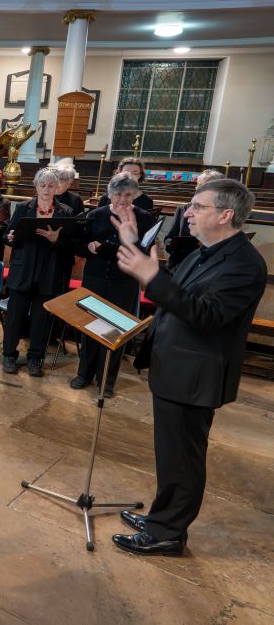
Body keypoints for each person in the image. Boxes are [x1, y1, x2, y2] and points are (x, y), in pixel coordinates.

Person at [111, 178, 266, 557]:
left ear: (226, 215)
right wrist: (133, 241)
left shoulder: (245, 265)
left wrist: (150, 279)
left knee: (183, 458)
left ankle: (167, 533)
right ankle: (163, 517)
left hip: (195, 376)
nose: (189, 212)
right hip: (176, 367)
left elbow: (206, 315)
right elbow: (173, 287)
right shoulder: (205, 251)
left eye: (199, 206)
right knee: (170, 453)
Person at [70, 174, 156, 397]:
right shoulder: (96, 215)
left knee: (116, 330)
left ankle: (106, 380)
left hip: (124, 281)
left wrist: (131, 246)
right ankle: (84, 374)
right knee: (91, 326)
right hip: (95, 278)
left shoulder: (144, 218)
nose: (122, 200)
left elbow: (148, 250)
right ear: (110, 194)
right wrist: (88, 246)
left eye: (128, 195)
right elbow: (78, 245)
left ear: (135, 195)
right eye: (118, 194)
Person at [1, 167, 75, 377]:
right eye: (42, 185)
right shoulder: (24, 208)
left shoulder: (65, 212)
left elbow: (71, 246)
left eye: (51, 185)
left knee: (41, 320)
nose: (46, 189)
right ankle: (8, 355)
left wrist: (57, 240)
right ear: (36, 186)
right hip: (23, 270)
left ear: (57, 187)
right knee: (15, 316)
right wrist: (10, 238)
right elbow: (8, 235)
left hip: (49, 272)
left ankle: (35, 359)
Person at [163, 169, 223, 268]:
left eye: (209, 186)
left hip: (209, 266)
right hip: (181, 263)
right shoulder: (183, 209)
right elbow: (169, 238)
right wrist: (171, 243)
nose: (203, 189)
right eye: (200, 185)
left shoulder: (223, 212)